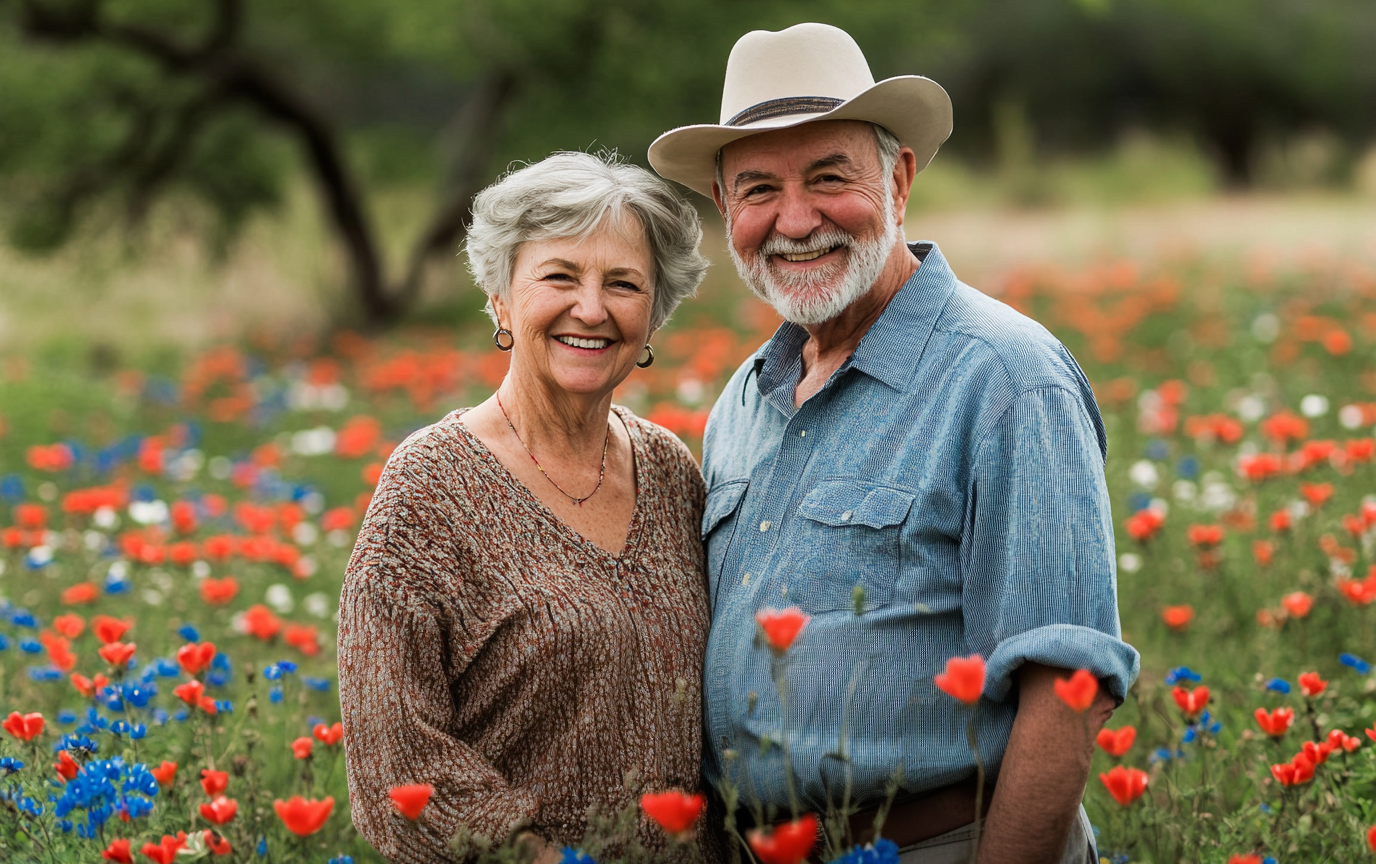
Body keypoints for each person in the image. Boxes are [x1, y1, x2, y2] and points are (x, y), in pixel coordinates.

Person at [648, 23, 1140, 864]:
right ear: (727, 210)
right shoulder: (742, 400)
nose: (794, 220)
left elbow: (1070, 687)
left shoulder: (1006, 380)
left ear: (899, 179)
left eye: (830, 177)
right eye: (759, 189)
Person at [338, 151, 712, 863]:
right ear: (502, 299)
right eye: (560, 276)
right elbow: (396, 759)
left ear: (653, 315)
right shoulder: (430, 487)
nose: (592, 308)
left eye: (624, 284)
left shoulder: (670, 472)